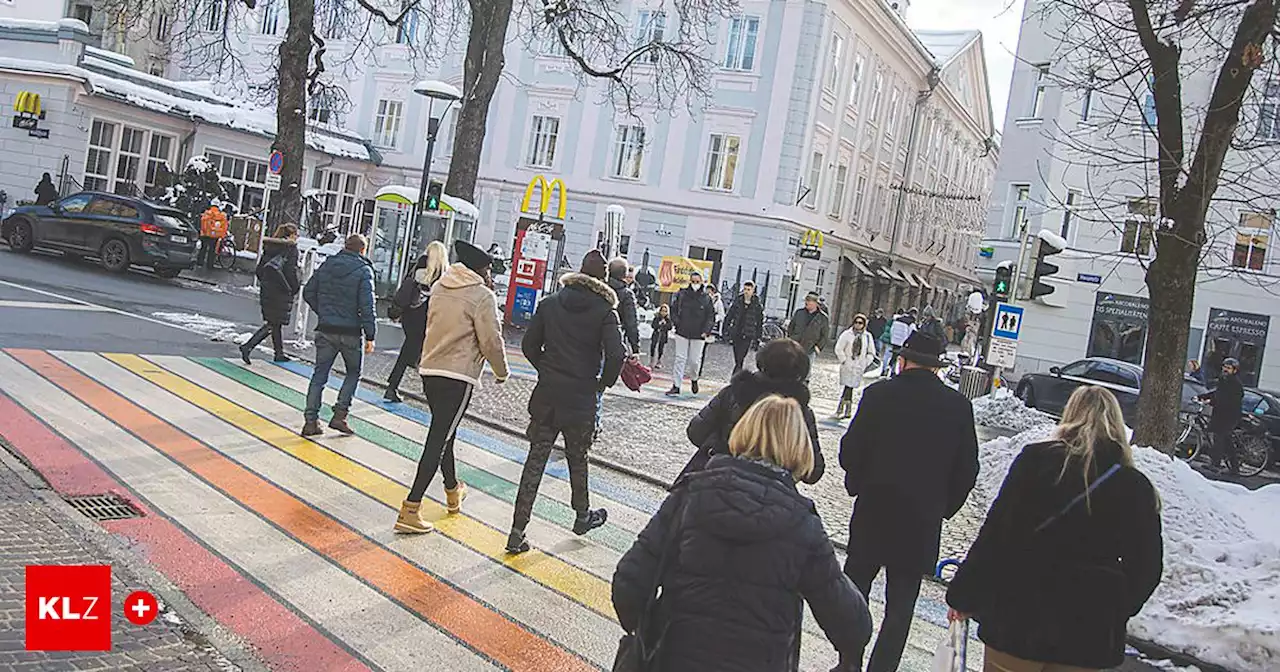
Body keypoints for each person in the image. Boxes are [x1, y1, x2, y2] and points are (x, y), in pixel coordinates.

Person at [613, 395, 872, 672]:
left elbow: (629, 582)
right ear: (800, 449)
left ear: (744, 432)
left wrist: (649, 635)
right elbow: (853, 627)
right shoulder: (803, 525)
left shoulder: (691, 495)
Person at [946, 385, 1164, 672]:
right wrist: (1113, 609)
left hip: (1018, 617)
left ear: (1070, 415)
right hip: (1086, 632)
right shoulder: (1135, 487)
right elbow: (1147, 568)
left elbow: (996, 536)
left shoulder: (1035, 462)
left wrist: (964, 595)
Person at [836, 330, 979, 672]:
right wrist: (943, 507)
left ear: (902, 361)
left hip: (874, 508)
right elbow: (967, 469)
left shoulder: (878, 395)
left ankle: (849, 662)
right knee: (900, 608)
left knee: (853, 594)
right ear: (937, 368)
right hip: (920, 519)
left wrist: (857, 482)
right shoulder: (958, 406)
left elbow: (850, 451)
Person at [506, 250, 624, 553]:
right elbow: (616, 354)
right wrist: (602, 384)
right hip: (581, 397)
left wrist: (547, 368)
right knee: (578, 457)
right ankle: (582, 515)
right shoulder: (605, 312)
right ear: (601, 280)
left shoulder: (550, 304)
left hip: (548, 395)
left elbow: (530, 345)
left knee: (535, 462)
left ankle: (517, 530)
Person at [395, 241, 510, 534]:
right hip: (457, 375)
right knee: (438, 439)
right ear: (480, 270)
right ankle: (411, 507)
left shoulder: (441, 287)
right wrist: (501, 372)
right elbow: (491, 340)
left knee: (446, 433)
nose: (490, 276)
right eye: (488, 270)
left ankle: (452, 491)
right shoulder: (481, 296)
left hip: (430, 369)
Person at [681, 338, 826, 484]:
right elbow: (813, 471)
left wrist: (721, 444)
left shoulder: (733, 394)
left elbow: (696, 432)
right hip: (773, 491)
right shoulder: (799, 412)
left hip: (718, 479)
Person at [301, 234, 376, 437]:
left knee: (320, 374)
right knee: (353, 373)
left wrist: (325, 312)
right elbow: (367, 306)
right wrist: (370, 335)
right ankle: (340, 415)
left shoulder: (327, 265)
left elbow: (308, 292)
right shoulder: (363, 270)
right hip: (351, 333)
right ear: (362, 250)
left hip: (325, 330)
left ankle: (310, 421)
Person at [385, 241, 448, 403]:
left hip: (410, 317)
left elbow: (405, 290)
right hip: (427, 319)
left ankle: (394, 385)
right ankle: (396, 386)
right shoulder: (442, 275)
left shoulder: (417, 269)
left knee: (413, 351)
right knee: (419, 354)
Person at [239, 223, 300, 364]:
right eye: (296, 234)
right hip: (281, 290)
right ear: (291, 235)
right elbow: (291, 271)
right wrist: (293, 288)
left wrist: (267, 282)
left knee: (275, 322)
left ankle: (279, 353)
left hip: (268, 289)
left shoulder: (270, 246)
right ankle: (247, 346)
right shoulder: (290, 249)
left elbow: (260, 270)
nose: (297, 237)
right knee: (273, 323)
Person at [666, 271, 715, 396]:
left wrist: (706, 331)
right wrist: (677, 322)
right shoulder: (682, 294)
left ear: (702, 282)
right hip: (682, 331)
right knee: (679, 359)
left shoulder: (706, 298)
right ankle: (676, 385)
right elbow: (673, 309)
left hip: (699, 334)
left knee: (694, 361)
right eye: (693, 281)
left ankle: (694, 379)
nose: (695, 284)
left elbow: (710, 316)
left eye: (697, 282)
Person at [1197, 357, 1245, 474]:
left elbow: (1228, 399)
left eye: (1229, 368)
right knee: (1226, 442)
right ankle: (1234, 468)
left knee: (1219, 438)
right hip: (1221, 414)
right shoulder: (1223, 380)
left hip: (1229, 416)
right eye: (1224, 367)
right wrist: (1203, 396)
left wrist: (1211, 401)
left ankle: (1215, 464)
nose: (1225, 369)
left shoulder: (1235, 384)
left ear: (1234, 370)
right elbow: (1217, 393)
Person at [833, 313, 876, 419]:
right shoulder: (847, 334)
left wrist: (865, 363)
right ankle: (845, 409)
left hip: (859, 365)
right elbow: (839, 348)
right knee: (848, 387)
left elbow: (871, 352)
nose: (858, 325)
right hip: (848, 363)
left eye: (860, 323)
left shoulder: (867, 336)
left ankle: (843, 408)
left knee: (850, 387)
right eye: (856, 322)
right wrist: (843, 360)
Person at [723, 281, 764, 374]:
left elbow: (759, 323)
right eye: (745, 289)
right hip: (736, 333)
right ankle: (737, 375)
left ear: (753, 291)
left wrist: (757, 337)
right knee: (737, 356)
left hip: (748, 335)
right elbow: (729, 316)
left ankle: (735, 376)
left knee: (741, 357)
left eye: (748, 290)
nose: (746, 292)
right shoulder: (738, 301)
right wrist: (726, 330)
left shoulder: (757, 304)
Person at [607, 257, 641, 355]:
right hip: (615, 338)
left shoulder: (599, 288)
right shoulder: (626, 294)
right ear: (625, 274)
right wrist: (635, 348)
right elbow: (631, 322)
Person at [788, 293, 830, 372]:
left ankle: (804, 383)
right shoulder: (799, 313)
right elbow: (791, 327)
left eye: (809, 302)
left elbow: (824, 335)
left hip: (810, 348)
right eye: (806, 301)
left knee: (806, 371)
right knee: (792, 369)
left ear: (815, 303)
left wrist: (818, 347)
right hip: (796, 345)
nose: (807, 303)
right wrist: (791, 338)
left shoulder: (822, 317)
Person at [885, 308, 917, 377]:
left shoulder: (898, 319)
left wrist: (893, 338)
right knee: (902, 357)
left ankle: (890, 368)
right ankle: (898, 371)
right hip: (903, 342)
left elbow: (892, 329)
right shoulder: (911, 322)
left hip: (894, 340)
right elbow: (912, 333)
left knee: (894, 355)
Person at [197, 205, 229, 270]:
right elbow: (224, 226)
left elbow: (202, 224)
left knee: (203, 249)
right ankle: (210, 264)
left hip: (206, 234)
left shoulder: (207, 213)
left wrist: (202, 232)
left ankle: (200, 263)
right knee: (212, 250)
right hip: (215, 235)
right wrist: (222, 235)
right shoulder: (221, 215)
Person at [649, 304, 672, 368]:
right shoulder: (657, 317)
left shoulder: (668, 319)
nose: (663, 313)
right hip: (656, 334)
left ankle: (659, 361)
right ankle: (652, 360)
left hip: (663, 335)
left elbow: (670, 327)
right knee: (653, 346)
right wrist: (658, 324)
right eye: (662, 311)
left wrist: (665, 325)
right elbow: (653, 325)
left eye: (665, 311)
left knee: (661, 348)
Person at [878, 309, 898, 376]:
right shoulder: (898, 322)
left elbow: (886, 329)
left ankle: (883, 369)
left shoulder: (890, 321)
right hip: (893, 342)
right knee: (893, 357)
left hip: (886, 340)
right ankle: (891, 370)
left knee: (886, 356)